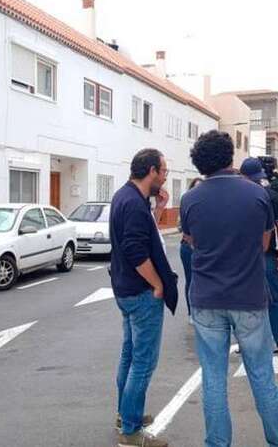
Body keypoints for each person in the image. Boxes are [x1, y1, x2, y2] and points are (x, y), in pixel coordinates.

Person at [180, 131, 278, 447]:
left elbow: (192, 241)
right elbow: (264, 243)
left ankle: (217, 443)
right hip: (249, 297)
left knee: (213, 378)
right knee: (261, 374)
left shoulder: (189, 199)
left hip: (206, 298)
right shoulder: (257, 194)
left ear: (200, 164)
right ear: (230, 156)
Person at [109, 148, 178, 447]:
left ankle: (126, 415)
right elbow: (137, 251)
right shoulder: (134, 204)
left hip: (125, 289)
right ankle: (132, 431)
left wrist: (159, 209)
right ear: (151, 170)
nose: (164, 177)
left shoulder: (125, 197)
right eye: (163, 171)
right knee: (143, 362)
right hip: (140, 292)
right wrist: (158, 285)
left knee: (129, 355)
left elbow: (143, 235)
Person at [240, 158, 278, 360]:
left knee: (247, 301)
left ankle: (249, 344)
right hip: (266, 256)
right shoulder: (271, 195)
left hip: (243, 256)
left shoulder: (238, 195)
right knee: (274, 300)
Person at [179, 177, 204, 319]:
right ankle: (191, 312)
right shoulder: (186, 204)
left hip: (203, 246)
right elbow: (180, 226)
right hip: (188, 247)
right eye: (195, 187)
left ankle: (201, 311)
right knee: (190, 280)